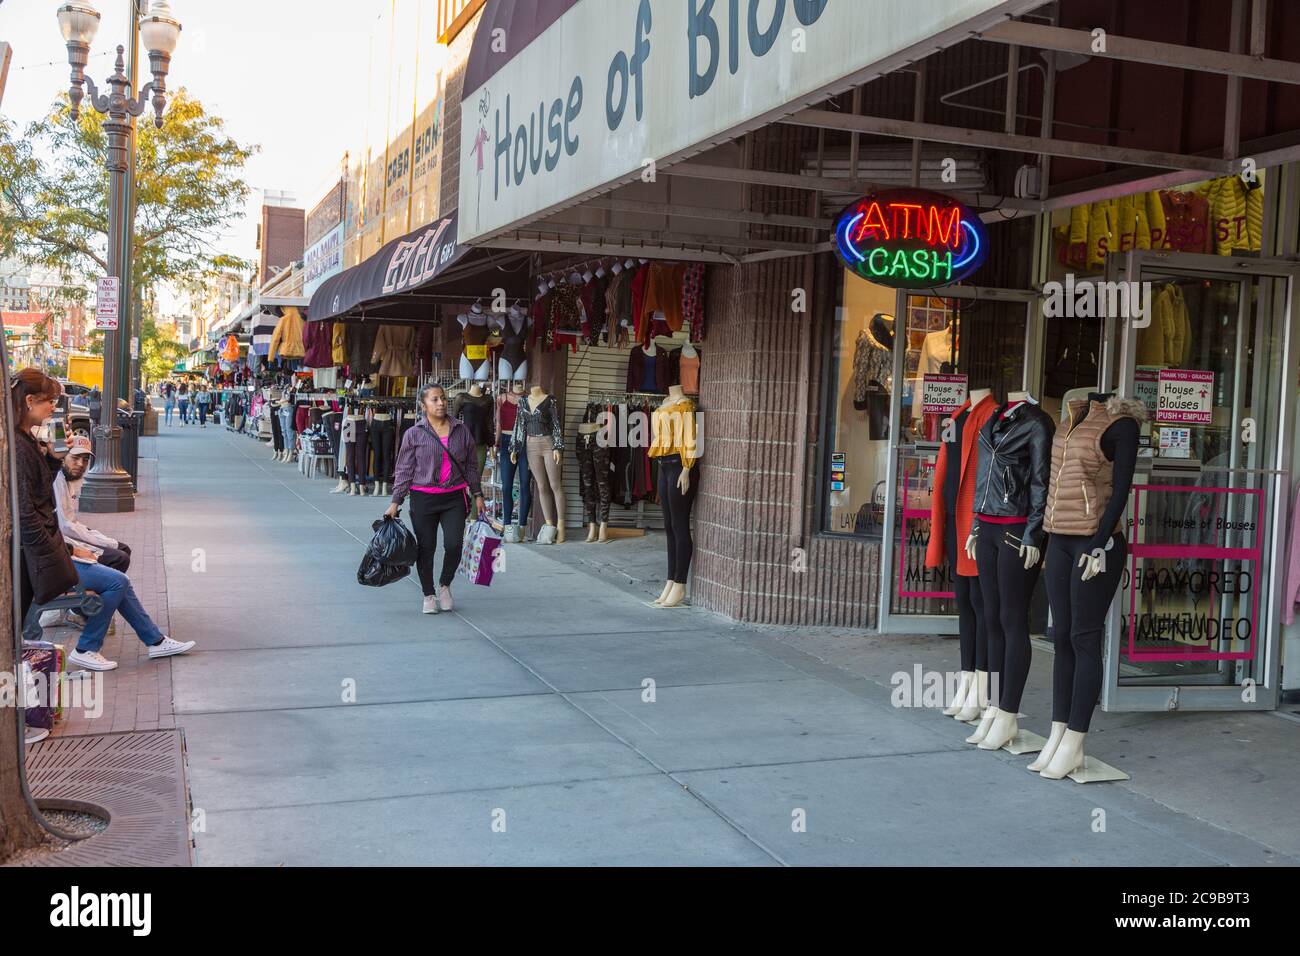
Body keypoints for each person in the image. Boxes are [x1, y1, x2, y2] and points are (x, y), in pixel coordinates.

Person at [13, 367, 194, 672]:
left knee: (118, 579)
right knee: (116, 580)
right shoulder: (19, 446)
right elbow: (29, 513)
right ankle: (88, 647)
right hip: (40, 558)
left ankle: (153, 641)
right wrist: (63, 553)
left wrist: (53, 459)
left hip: (46, 552)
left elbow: (41, 495)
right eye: (50, 403)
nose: (53, 410)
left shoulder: (28, 442)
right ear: (30, 401)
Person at [384, 384, 485, 615]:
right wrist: (395, 502)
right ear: (423, 405)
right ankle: (428, 594)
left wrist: (477, 493)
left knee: (453, 544)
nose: (441, 403)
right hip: (423, 499)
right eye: (435, 399)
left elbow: (470, 465)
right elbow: (404, 470)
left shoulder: (461, 430)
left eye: (443, 398)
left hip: (455, 498)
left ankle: (445, 585)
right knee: (426, 548)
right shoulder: (414, 433)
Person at [54, 434, 132, 572]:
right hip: (64, 547)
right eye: (75, 458)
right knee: (120, 558)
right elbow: (66, 527)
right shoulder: (56, 481)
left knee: (123, 549)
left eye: (85, 460)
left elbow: (73, 524)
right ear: (62, 457)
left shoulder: (67, 479)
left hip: (71, 539)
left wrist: (101, 539)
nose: (80, 464)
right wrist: (102, 542)